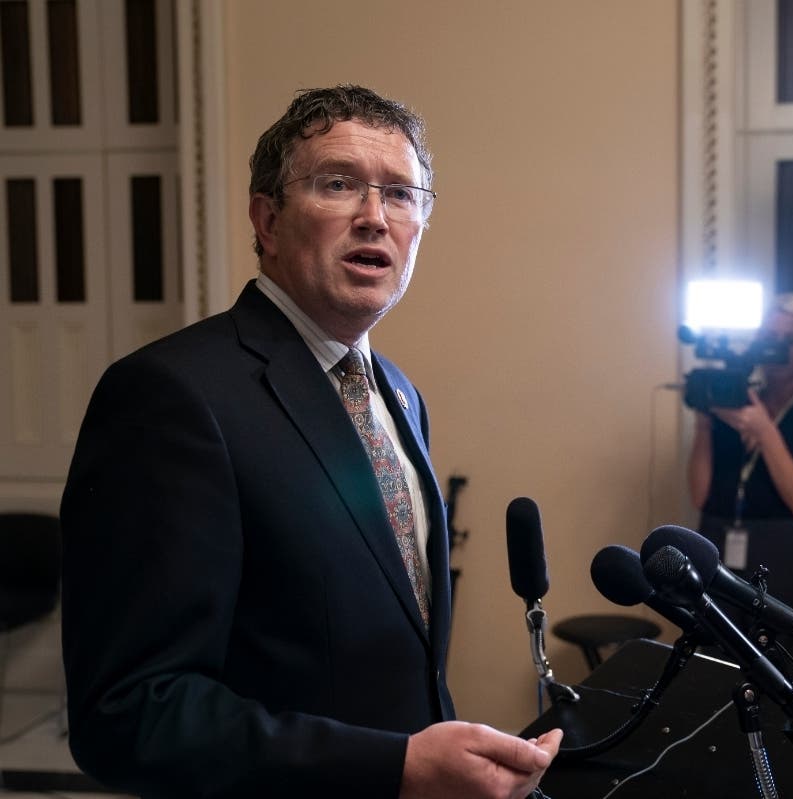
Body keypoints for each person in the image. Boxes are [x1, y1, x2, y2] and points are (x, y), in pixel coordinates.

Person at [60, 84, 562, 799]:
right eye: (338, 185)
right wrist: (394, 766)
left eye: (401, 194)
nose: (374, 217)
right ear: (266, 218)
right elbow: (129, 713)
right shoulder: (169, 396)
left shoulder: (397, 391)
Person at [686, 293, 793, 609]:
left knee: (774, 650)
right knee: (711, 647)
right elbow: (699, 496)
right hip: (716, 541)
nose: (778, 349)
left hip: (779, 551)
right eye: (769, 338)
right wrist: (704, 423)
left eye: (792, 340)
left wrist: (765, 431)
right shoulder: (735, 399)